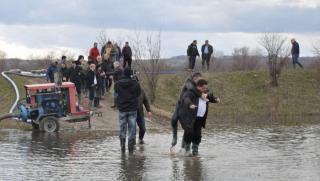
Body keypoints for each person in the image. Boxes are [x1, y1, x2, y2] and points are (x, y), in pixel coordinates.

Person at [178, 79, 220, 156]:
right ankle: (187, 150)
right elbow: (186, 98)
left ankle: (195, 151)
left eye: (206, 88)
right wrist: (190, 104)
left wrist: (216, 99)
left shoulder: (205, 93)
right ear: (198, 87)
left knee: (197, 135)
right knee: (189, 133)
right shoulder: (191, 92)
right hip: (190, 117)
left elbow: (211, 97)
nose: (205, 89)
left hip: (200, 118)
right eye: (204, 88)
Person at [171, 72, 203, 147]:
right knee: (174, 119)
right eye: (198, 80)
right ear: (194, 79)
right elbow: (191, 88)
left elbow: (206, 90)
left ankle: (184, 145)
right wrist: (201, 95)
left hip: (190, 107)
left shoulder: (199, 84)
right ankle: (174, 136)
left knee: (188, 127)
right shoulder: (188, 82)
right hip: (181, 104)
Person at [114, 67, 141, 153]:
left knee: (122, 128)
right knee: (132, 129)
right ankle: (130, 149)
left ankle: (122, 148)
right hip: (132, 108)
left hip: (122, 109)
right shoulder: (135, 83)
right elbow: (138, 94)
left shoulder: (117, 84)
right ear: (130, 74)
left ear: (123, 74)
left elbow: (116, 94)